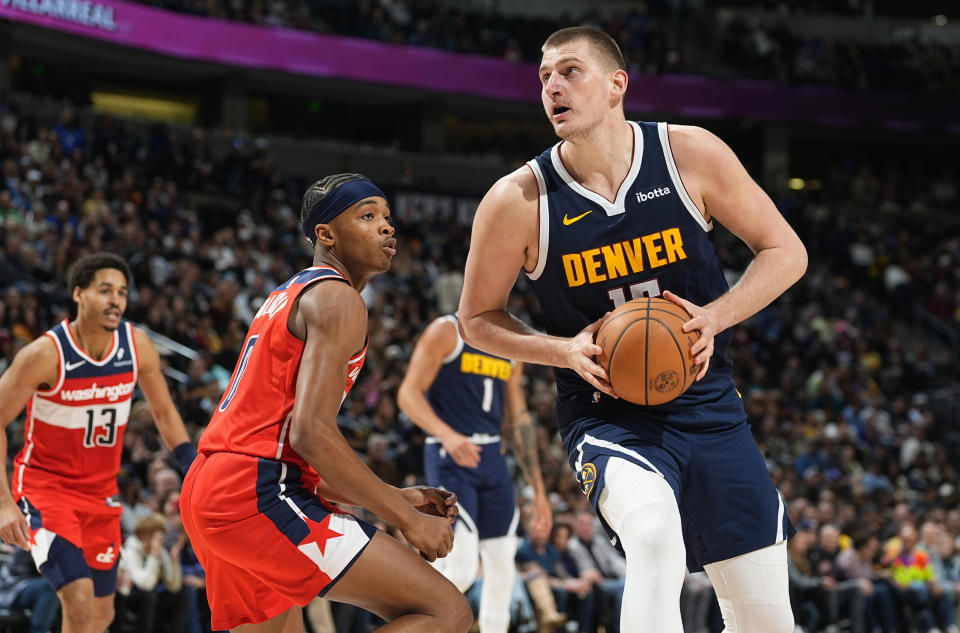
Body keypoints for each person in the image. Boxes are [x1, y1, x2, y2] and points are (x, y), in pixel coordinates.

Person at [458, 26, 807, 633]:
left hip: (709, 404)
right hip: (607, 413)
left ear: (618, 85)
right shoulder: (518, 199)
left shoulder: (689, 154)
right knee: (653, 536)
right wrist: (560, 350)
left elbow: (785, 251)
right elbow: (476, 320)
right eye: (544, 77)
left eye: (570, 71)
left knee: (766, 620)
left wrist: (715, 316)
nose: (552, 86)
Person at [179, 173, 473, 633]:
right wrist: (404, 520)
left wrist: (396, 497)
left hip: (216, 486)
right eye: (368, 215)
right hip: (256, 494)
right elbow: (310, 435)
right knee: (447, 614)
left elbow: (284, 444)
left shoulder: (289, 293)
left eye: (388, 218)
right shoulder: (338, 299)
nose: (387, 227)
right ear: (326, 234)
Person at [0, 252, 197, 633]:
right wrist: (5, 502)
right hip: (46, 490)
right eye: (104, 290)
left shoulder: (136, 345)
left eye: (122, 292)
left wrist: (192, 464)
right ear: (79, 294)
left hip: (101, 494)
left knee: (101, 615)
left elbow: (163, 410)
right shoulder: (44, 354)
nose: (116, 300)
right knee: (78, 595)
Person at [398, 312, 552, 633]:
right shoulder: (446, 330)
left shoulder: (509, 343)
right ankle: (411, 621)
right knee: (462, 568)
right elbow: (408, 395)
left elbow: (519, 419)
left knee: (503, 566)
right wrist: (447, 434)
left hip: (494, 455)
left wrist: (539, 491)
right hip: (451, 455)